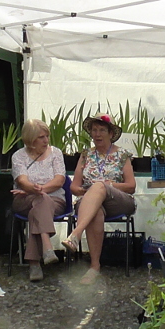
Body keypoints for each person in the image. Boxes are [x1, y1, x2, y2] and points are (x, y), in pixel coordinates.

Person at [61, 113, 136, 285]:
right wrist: (82, 190)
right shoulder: (86, 154)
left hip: (118, 200)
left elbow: (131, 186)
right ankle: (94, 267)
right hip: (91, 202)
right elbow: (74, 186)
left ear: (111, 134)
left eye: (102, 130)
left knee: (99, 186)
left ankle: (76, 233)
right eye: (94, 130)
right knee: (96, 212)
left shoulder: (123, 154)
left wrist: (108, 185)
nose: (97, 134)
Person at [11, 119, 67, 282]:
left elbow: (59, 180)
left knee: (40, 204)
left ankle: (34, 264)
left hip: (54, 199)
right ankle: (46, 246)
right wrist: (31, 189)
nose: (46, 140)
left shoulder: (56, 153)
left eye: (47, 136)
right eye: (41, 137)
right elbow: (22, 181)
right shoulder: (18, 156)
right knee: (39, 200)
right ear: (30, 139)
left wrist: (39, 189)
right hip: (24, 199)